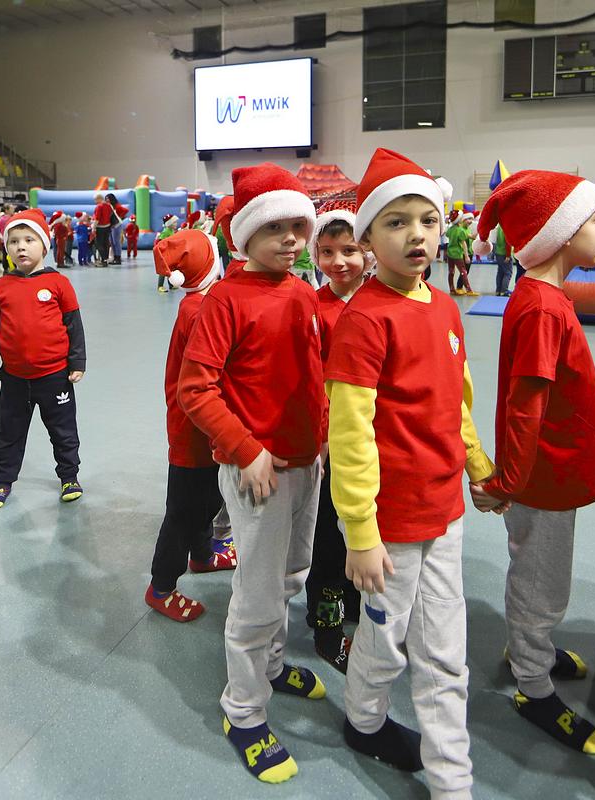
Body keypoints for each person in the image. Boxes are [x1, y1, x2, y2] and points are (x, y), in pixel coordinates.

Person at [327, 148, 497, 799]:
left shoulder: (446, 309)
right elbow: (349, 435)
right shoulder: (364, 320)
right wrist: (360, 532)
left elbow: (457, 401)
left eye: (427, 220)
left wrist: (475, 466)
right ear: (368, 239)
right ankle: (364, 720)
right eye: (396, 222)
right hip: (390, 524)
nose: (417, 235)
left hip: (444, 512)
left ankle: (453, 781)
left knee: (444, 650)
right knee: (384, 634)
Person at [177, 163, 326, 784]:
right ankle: (242, 712)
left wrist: (323, 439)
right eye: (274, 228)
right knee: (258, 594)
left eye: (298, 227)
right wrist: (246, 449)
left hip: (307, 461)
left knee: (291, 574)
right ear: (245, 235)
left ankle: (269, 666)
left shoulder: (303, 292)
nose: (290, 239)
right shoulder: (225, 300)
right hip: (257, 470)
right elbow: (195, 388)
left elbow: (313, 375)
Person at [469, 170, 595, 754]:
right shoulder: (542, 309)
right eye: (593, 222)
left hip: (552, 467)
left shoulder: (547, 299)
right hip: (541, 474)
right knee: (542, 580)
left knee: (543, 572)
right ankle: (532, 684)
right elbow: (525, 404)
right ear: (560, 234)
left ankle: (534, 648)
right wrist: (509, 480)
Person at [145, 229, 238, 622]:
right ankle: (161, 586)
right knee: (183, 510)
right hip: (193, 428)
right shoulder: (200, 310)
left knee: (207, 498)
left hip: (200, 426)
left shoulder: (198, 302)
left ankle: (201, 555)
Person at [0, 209, 86, 509]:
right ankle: (3, 481)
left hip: (55, 377)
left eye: (29, 240)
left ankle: (69, 477)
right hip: (14, 378)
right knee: (9, 433)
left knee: (63, 432)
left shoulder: (58, 283)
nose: (21, 247)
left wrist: (77, 362)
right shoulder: (0, 287)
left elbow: (74, 326)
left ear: (44, 246)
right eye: (14, 242)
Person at [304, 199, 367, 673]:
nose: (338, 262)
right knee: (327, 536)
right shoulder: (314, 307)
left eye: (349, 250)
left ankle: (358, 601)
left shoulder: (382, 302)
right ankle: (327, 624)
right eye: (326, 252)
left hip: (374, 444)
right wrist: (322, 438)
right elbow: (310, 379)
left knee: (363, 530)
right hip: (330, 447)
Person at [446, 212, 475, 296]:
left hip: (449, 253)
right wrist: (466, 256)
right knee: (463, 272)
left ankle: (452, 289)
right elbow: (464, 244)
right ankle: (469, 290)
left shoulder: (450, 229)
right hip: (458, 254)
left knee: (451, 272)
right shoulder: (461, 230)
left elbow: (447, 235)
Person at [156, 214, 180, 292]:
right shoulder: (166, 231)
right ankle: (160, 286)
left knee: (170, 270)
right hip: (164, 254)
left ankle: (171, 284)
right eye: (174, 223)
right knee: (163, 271)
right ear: (169, 224)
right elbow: (160, 242)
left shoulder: (171, 231)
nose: (176, 224)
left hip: (170, 254)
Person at [491, 224, 514, 296]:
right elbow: (508, 242)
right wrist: (508, 255)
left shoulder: (499, 227)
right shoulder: (507, 227)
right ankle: (504, 291)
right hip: (504, 253)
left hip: (498, 252)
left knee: (500, 272)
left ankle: (498, 290)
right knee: (508, 273)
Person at [92, 193, 113, 267]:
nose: (95, 201)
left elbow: (97, 218)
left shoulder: (99, 206)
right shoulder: (108, 206)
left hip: (100, 227)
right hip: (107, 226)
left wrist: (93, 228)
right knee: (106, 243)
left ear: (99, 199)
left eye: (95, 200)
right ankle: (105, 259)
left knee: (99, 244)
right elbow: (110, 215)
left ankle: (103, 259)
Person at [108, 194, 129, 265]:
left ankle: (118, 257)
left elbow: (125, 210)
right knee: (112, 242)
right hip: (111, 226)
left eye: (108, 198)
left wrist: (120, 216)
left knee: (116, 242)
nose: (106, 200)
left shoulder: (116, 206)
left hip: (116, 225)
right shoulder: (109, 206)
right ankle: (115, 257)